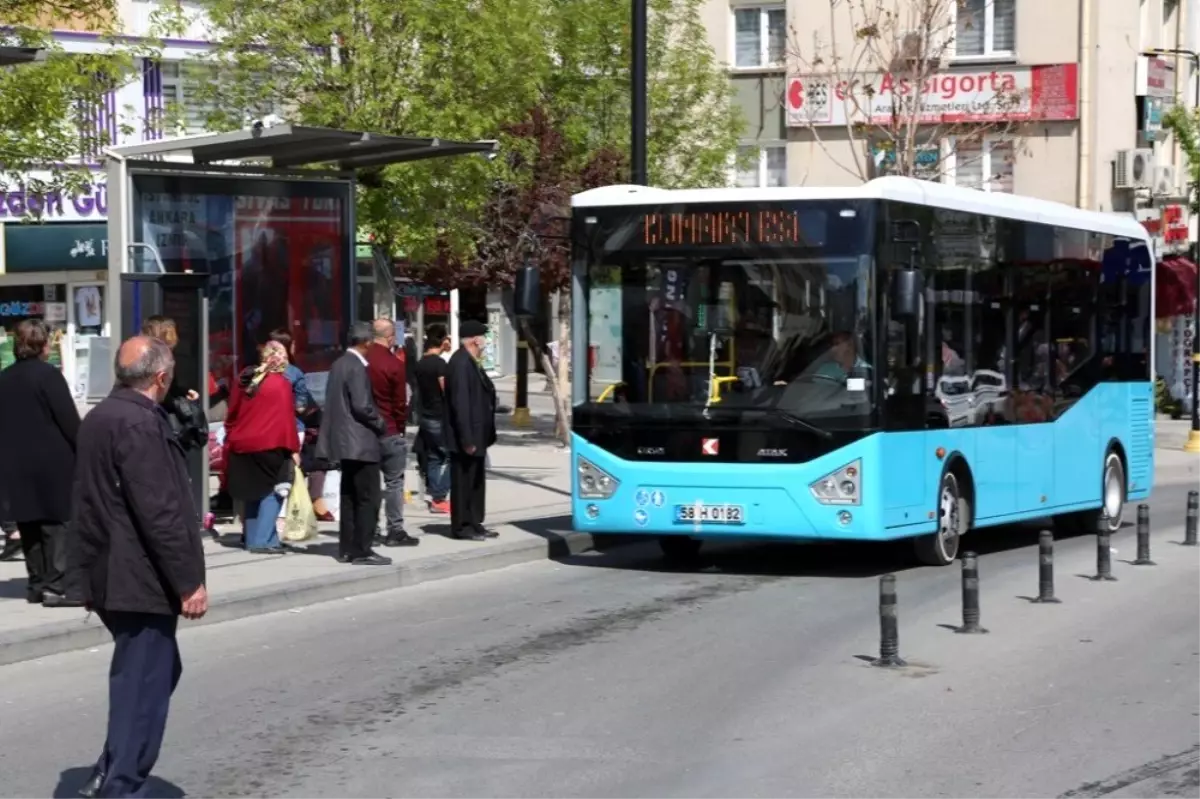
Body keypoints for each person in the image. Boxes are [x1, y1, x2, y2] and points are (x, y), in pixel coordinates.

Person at [70, 335, 208, 799]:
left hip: (112, 570)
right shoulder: (137, 424)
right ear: (161, 377)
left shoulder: (101, 418)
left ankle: (110, 767)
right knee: (143, 685)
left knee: (155, 671)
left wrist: (84, 576)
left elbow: (87, 504)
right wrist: (188, 582)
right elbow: (160, 512)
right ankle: (121, 784)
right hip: (139, 574)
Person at [0, 319, 82, 607]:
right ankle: (56, 585)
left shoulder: (5, 377)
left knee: (29, 523)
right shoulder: (48, 376)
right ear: (42, 344)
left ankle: (35, 583)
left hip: (16, 462)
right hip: (53, 461)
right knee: (57, 523)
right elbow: (69, 420)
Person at [316, 322, 391, 566]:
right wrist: (380, 423)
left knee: (349, 496)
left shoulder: (338, 364)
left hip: (344, 442)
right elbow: (362, 405)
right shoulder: (357, 367)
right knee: (367, 498)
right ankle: (362, 549)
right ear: (367, 342)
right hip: (360, 443)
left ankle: (347, 547)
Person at [224, 341, 301, 554]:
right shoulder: (281, 384)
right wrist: (294, 449)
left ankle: (255, 537)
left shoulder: (245, 380)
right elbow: (287, 419)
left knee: (252, 492)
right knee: (273, 491)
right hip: (271, 443)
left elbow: (232, 412)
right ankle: (263, 540)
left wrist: (231, 435)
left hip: (243, 443)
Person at [365, 319, 418, 547]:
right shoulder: (393, 364)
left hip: (366, 431)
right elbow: (399, 402)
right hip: (389, 429)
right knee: (394, 482)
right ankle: (394, 529)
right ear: (390, 337)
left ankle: (372, 529)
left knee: (371, 483)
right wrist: (400, 425)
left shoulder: (362, 360)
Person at [444, 320, 498, 541]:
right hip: (466, 436)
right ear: (475, 339)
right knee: (463, 482)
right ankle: (462, 526)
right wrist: (467, 437)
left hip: (479, 433)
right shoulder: (460, 363)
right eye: (484, 337)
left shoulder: (472, 361)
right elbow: (460, 403)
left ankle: (475, 522)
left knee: (476, 481)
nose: (486, 341)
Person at [413, 324, 452, 513]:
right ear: (443, 340)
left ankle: (436, 497)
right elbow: (446, 389)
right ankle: (439, 495)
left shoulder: (421, 363)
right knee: (454, 456)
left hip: (425, 415)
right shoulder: (440, 364)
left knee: (434, 457)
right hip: (439, 416)